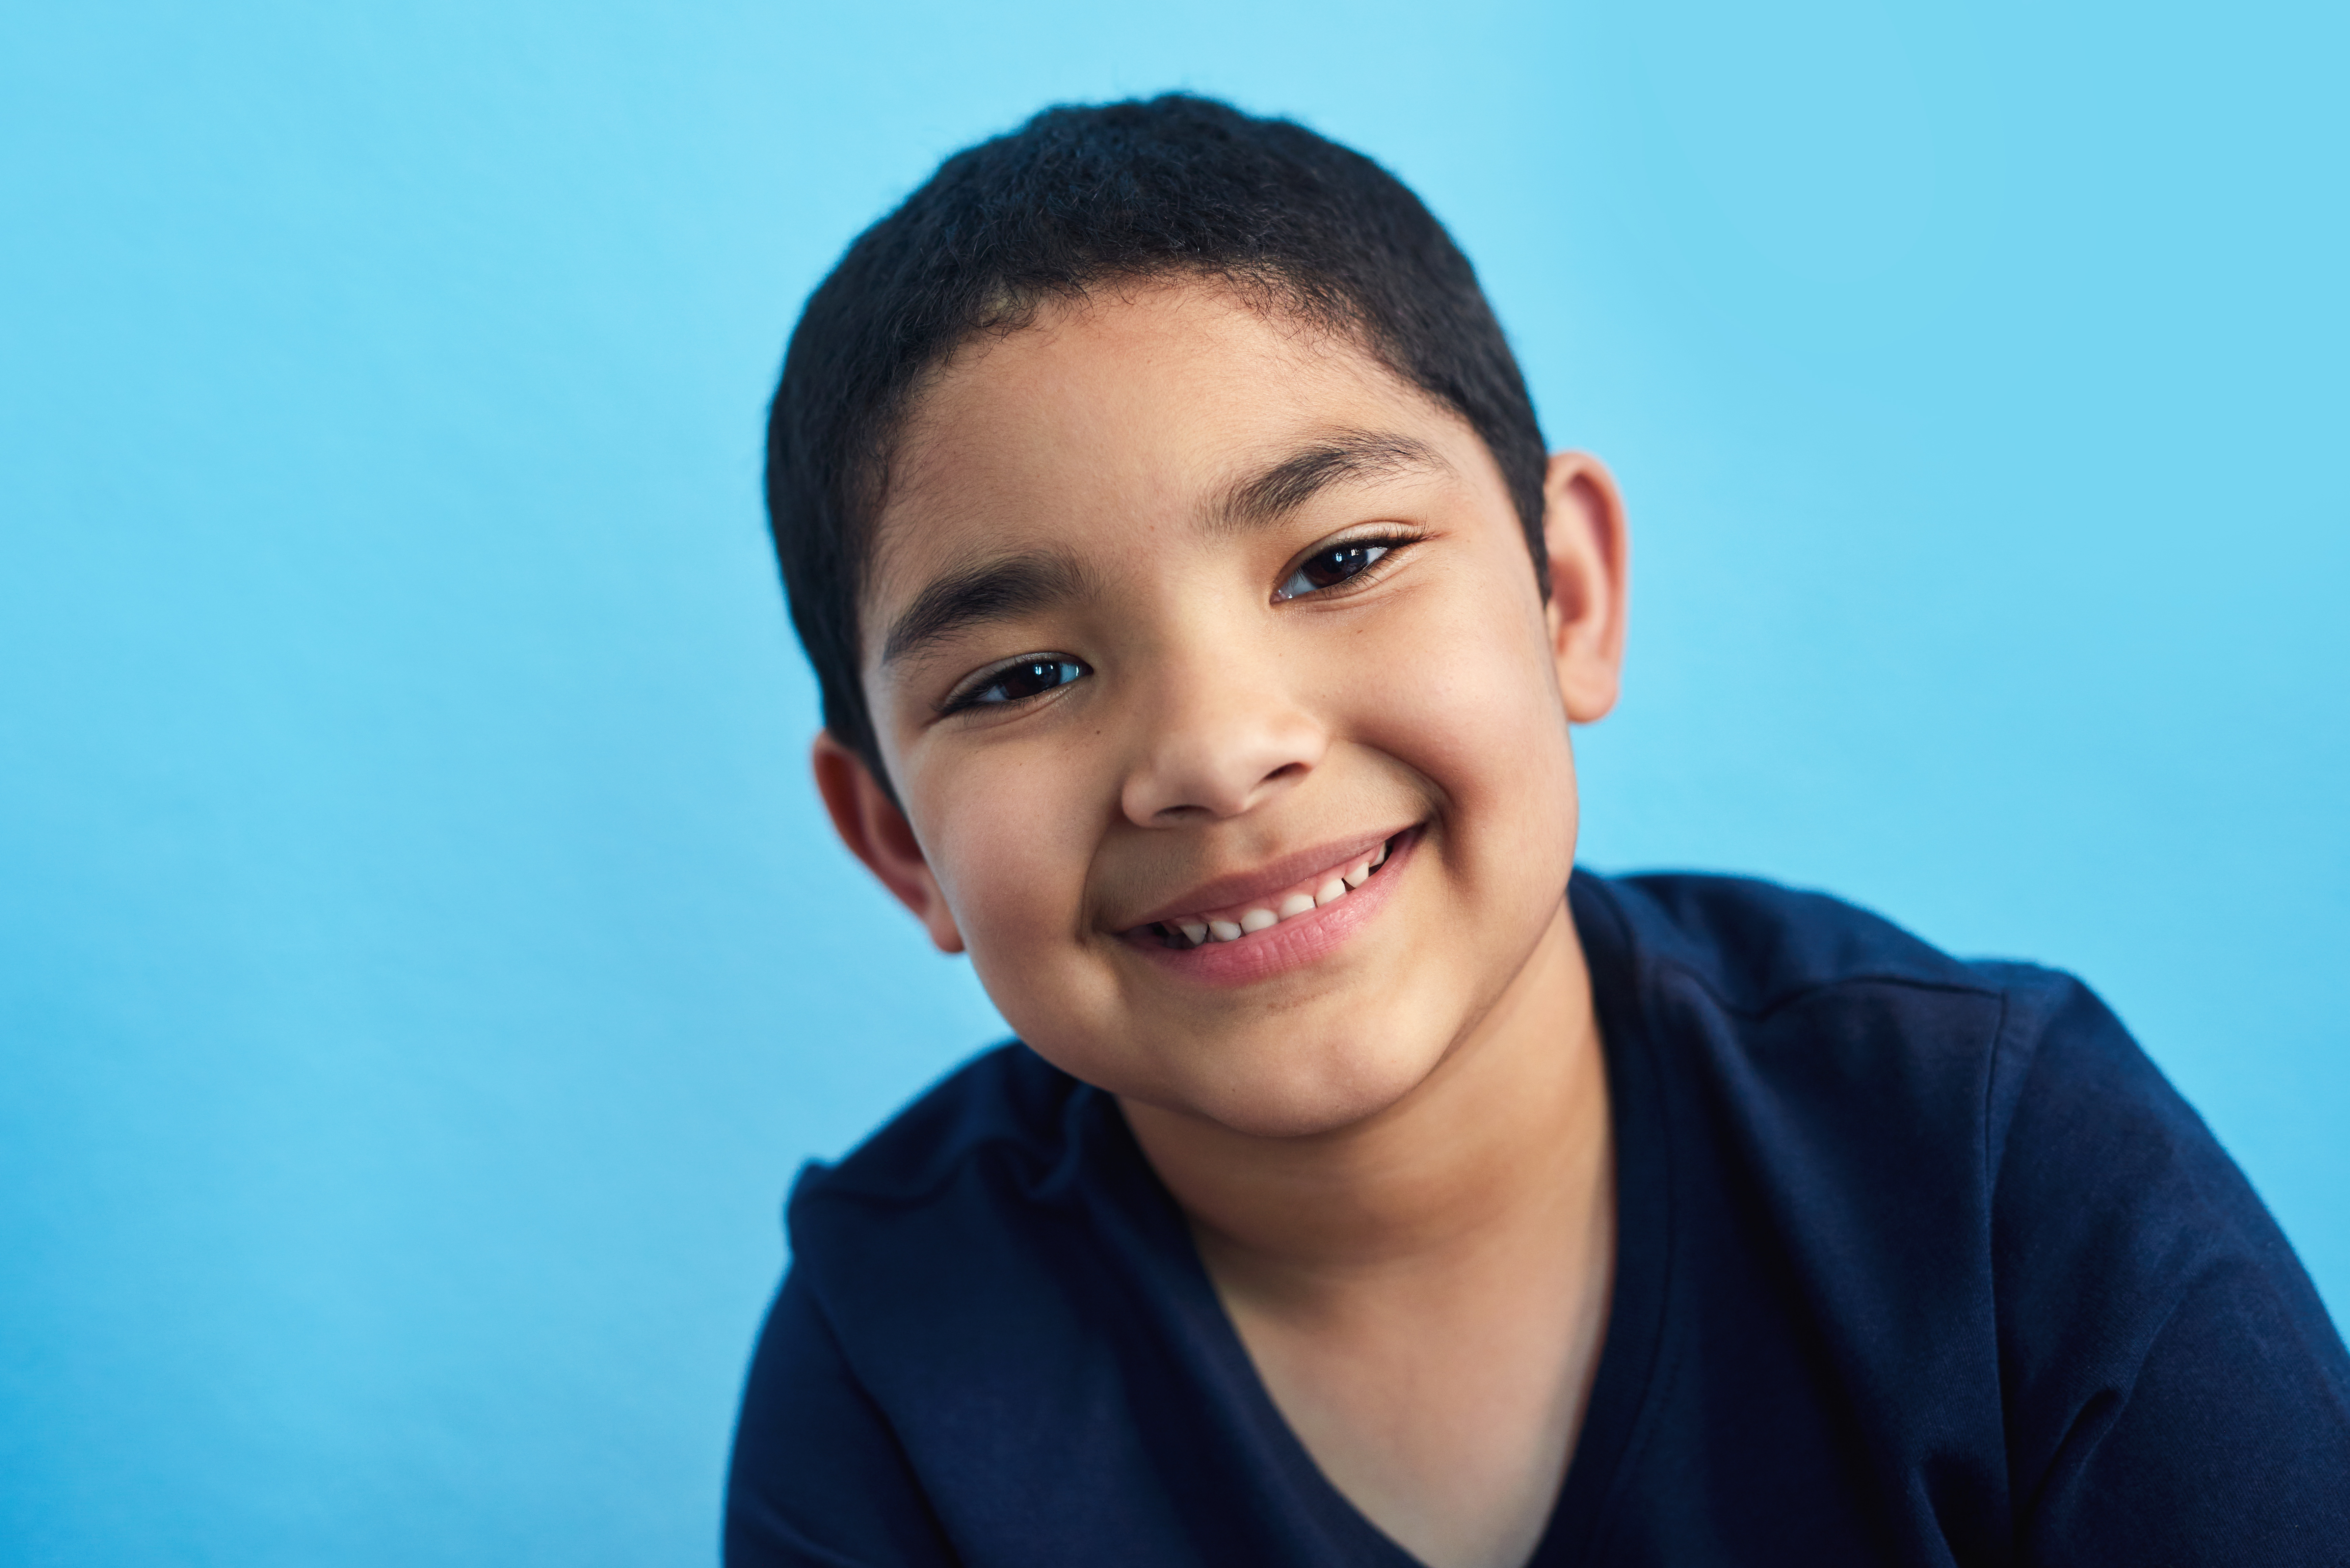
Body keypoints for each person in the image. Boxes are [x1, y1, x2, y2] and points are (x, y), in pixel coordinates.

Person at [723, 94, 2350, 1567]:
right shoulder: (893, 1364)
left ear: (1566, 592)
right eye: (1026, 674)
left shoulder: (2004, 1169)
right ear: (892, 838)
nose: (1216, 755)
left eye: (1339, 561)